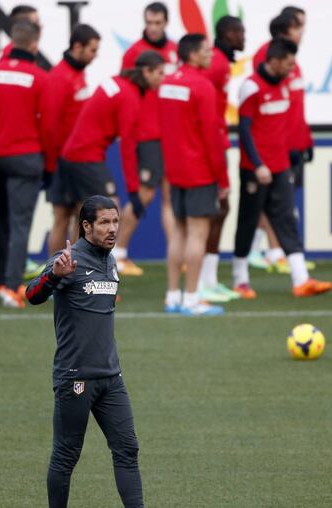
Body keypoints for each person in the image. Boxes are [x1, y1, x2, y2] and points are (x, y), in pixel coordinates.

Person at [25, 195, 185, 508]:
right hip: (75, 377)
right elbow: (31, 294)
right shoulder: (68, 261)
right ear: (86, 226)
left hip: (110, 377)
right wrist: (53, 275)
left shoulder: (110, 261)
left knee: (127, 447)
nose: (114, 228)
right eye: (105, 223)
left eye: (116, 222)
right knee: (66, 454)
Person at [233, 38, 331, 298]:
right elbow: (244, 130)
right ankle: (240, 279)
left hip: (280, 166)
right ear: (274, 62)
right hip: (256, 169)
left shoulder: (286, 84)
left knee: (287, 219)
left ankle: (301, 279)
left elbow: (283, 126)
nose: (292, 69)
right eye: (288, 64)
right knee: (248, 221)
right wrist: (257, 164)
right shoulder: (251, 87)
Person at [0, 20, 53, 308]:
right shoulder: (40, 78)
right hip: (26, 157)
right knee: (19, 223)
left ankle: (3, 280)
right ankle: (15, 285)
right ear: (34, 45)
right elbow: (49, 127)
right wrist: (50, 165)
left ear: (10, 42)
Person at [158, 34, 228, 316]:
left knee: (179, 233)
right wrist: (222, 179)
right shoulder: (203, 86)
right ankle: (192, 299)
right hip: (199, 171)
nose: (211, 55)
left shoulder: (167, 84)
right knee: (198, 234)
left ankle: (172, 295)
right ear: (193, 54)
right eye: (207, 51)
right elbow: (212, 136)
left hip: (175, 169)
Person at [59, 51, 165, 218]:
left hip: (70, 155)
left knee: (82, 219)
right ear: (146, 72)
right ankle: (115, 246)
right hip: (86, 158)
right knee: (110, 213)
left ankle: (79, 246)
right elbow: (127, 147)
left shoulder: (117, 82)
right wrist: (133, 192)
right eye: (160, 73)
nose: (163, 78)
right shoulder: (130, 98)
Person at [114, 2, 178, 276]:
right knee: (145, 194)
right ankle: (118, 253)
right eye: (149, 22)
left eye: (158, 23)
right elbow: (127, 92)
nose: (153, 27)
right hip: (147, 135)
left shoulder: (175, 50)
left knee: (170, 197)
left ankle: (177, 255)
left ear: (165, 22)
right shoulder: (134, 53)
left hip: (172, 133)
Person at [249, 10, 314, 274]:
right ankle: (273, 251)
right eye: (300, 27)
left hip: (295, 141)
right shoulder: (267, 56)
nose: (303, 32)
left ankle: (267, 250)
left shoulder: (293, 61)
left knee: (282, 202)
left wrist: (305, 138)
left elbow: (295, 105)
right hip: (275, 146)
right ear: (288, 27)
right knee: (272, 202)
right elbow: (263, 107)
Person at [198, 15, 245, 304]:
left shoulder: (221, 62)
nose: (244, 38)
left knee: (220, 210)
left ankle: (210, 280)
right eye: (241, 32)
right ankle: (204, 281)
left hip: (215, 139)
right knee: (217, 209)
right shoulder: (215, 63)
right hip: (209, 145)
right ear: (228, 33)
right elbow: (204, 105)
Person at [44, 24, 101, 256]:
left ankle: (78, 272)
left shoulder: (79, 73)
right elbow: (50, 125)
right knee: (61, 217)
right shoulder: (59, 77)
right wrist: (52, 164)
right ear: (77, 47)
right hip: (63, 160)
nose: (95, 56)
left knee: (82, 217)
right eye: (92, 50)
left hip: (80, 159)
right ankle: (53, 275)